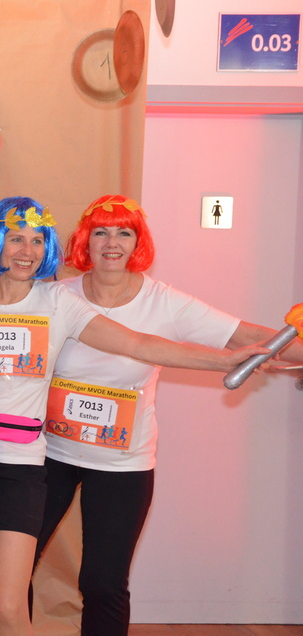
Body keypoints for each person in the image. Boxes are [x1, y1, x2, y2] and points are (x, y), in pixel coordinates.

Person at [0, 195, 265, 636]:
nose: (26, 251)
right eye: (15, 239)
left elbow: (140, 344)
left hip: (102, 462)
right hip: (26, 456)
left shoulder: (67, 300)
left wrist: (227, 360)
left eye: (124, 232)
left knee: (99, 583)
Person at [33, 194, 303, 636]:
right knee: (12, 567)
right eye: (101, 232)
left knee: (103, 582)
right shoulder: (55, 296)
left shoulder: (165, 302)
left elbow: (243, 335)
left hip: (123, 463)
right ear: (84, 240)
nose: (112, 243)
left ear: (138, 242)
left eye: (125, 232)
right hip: (49, 455)